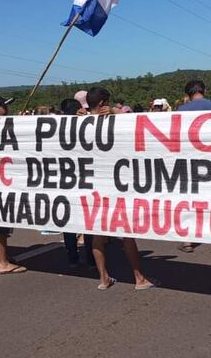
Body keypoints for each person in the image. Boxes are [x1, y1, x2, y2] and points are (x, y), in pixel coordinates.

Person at [86, 87, 156, 290]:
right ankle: (139, 278)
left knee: (97, 234)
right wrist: (118, 115)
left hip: (92, 186)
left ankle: (103, 278)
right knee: (126, 233)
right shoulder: (114, 121)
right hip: (115, 185)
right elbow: (138, 129)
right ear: (102, 103)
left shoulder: (78, 122)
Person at [176, 80, 211, 255]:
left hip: (190, 163)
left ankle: (188, 240)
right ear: (204, 90)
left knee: (190, 200)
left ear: (187, 94)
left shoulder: (181, 110)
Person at [0, 94, 26, 274]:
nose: (6, 110)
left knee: (4, 221)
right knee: (0, 221)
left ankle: (4, 257)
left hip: (3, 179)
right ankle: (2, 263)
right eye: (3, 107)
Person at [58, 98, 94, 268]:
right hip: (84, 181)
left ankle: (72, 257)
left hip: (65, 182)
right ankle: (91, 258)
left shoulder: (56, 127)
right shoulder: (85, 126)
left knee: (69, 222)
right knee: (87, 222)